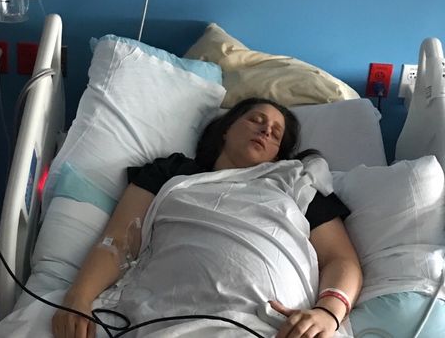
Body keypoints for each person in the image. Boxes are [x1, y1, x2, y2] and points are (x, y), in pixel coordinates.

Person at [51, 98, 363, 338]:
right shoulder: (172, 172)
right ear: (226, 128)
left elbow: (341, 259)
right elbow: (120, 239)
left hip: (277, 328)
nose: (266, 130)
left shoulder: (296, 182)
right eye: (256, 119)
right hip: (170, 318)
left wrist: (327, 313)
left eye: (276, 133)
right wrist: (78, 298)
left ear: (277, 155)